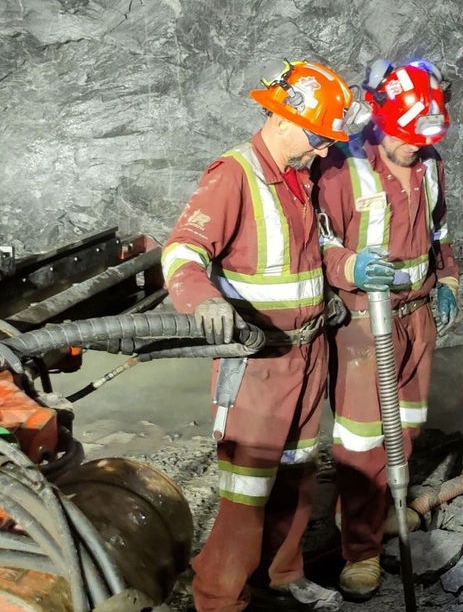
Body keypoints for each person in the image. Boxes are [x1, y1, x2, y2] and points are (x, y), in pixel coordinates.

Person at [161, 60, 360, 612]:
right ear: (284, 119)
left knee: (297, 475)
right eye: (319, 138)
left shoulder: (302, 178)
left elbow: (317, 250)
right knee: (246, 493)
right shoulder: (234, 174)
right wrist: (201, 298)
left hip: (307, 354)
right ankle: (219, 598)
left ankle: (281, 574)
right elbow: (182, 250)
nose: (325, 152)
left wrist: (348, 269)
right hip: (257, 364)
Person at [312, 59, 459, 600]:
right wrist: (349, 268)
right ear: (380, 119)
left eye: (423, 137)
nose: (414, 146)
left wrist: (447, 278)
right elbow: (318, 241)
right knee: (362, 440)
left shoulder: (430, 163)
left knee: (409, 426)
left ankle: (382, 510)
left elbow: (439, 228)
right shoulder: (339, 167)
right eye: (405, 136)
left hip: (415, 315)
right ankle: (361, 549)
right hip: (361, 323)